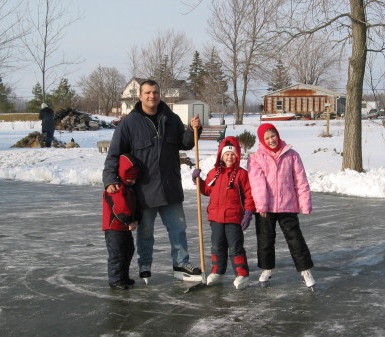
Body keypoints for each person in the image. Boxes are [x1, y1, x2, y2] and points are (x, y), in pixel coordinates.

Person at [103, 79, 202, 283]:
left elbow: (185, 143)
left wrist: (194, 131)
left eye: (155, 92)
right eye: (147, 92)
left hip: (170, 187)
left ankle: (181, 264)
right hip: (144, 190)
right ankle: (145, 266)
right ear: (140, 96)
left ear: (159, 94)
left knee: (178, 229)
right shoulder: (130, 123)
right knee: (145, 232)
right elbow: (114, 153)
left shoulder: (171, 118)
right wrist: (110, 178)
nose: (152, 96)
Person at [247, 123, 316, 288]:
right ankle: (266, 269)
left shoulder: (292, 155)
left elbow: (301, 180)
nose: (271, 140)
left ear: (277, 135)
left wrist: (304, 203)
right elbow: (257, 183)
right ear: (262, 141)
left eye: (273, 136)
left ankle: (305, 271)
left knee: (295, 240)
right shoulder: (256, 158)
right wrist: (262, 205)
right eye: (267, 138)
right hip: (265, 208)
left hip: (287, 205)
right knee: (265, 240)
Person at [192, 136, 255, 290]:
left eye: (233, 154)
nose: (229, 157)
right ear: (221, 155)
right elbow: (207, 190)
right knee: (217, 246)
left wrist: (248, 213)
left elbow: (249, 195)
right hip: (216, 217)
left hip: (234, 218)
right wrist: (197, 180)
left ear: (237, 156)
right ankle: (217, 272)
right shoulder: (214, 173)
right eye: (226, 154)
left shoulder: (241, 174)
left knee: (235, 247)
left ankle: (242, 274)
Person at [102, 154, 141, 290]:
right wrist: (129, 221)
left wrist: (136, 219)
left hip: (124, 228)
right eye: (131, 178)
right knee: (117, 253)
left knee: (128, 251)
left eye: (135, 178)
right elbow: (119, 209)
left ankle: (123, 276)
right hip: (114, 228)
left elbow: (134, 207)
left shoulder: (129, 189)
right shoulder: (116, 189)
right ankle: (115, 279)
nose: (133, 181)